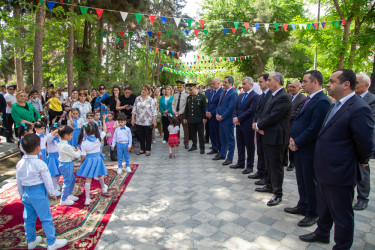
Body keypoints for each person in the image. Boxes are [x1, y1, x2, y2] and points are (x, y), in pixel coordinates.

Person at [299, 69, 374, 249]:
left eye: (332, 81)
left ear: (346, 84)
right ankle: (322, 232)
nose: (328, 84)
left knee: (342, 213)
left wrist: (362, 160)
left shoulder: (359, 108)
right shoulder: (336, 104)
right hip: (324, 169)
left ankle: (341, 245)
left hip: (340, 172)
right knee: (324, 207)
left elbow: (365, 143)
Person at [286, 70, 331, 227]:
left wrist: (296, 141)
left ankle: (313, 213)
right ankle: (303, 205)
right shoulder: (310, 99)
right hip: (300, 147)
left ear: (316, 82)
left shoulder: (322, 101)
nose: (302, 84)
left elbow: (314, 128)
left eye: (305, 81)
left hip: (309, 149)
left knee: (311, 183)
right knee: (302, 180)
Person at [16, 133, 67, 250]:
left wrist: (21, 193)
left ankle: (31, 240)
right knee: (46, 218)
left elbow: (18, 180)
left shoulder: (20, 163)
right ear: (38, 148)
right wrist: (52, 193)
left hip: (26, 193)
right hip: (38, 192)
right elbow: (47, 181)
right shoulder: (40, 164)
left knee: (28, 218)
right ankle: (52, 242)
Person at [252, 72, 292, 206]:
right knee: (268, 164)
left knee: (276, 166)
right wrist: (258, 125)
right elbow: (264, 113)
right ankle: (269, 185)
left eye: (269, 80)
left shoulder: (284, 97)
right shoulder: (272, 95)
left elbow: (274, 116)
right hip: (266, 134)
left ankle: (277, 193)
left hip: (276, 138)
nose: (267, 82)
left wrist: (258, 125)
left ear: (278, 81)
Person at [353, 72, 375, 210]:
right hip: (350, 140)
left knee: (363, 169)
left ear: (366, 85)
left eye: (358, 82)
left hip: (363, 141)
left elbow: (368, 120)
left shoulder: (372, 99)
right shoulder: (351, 97)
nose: (355, 85)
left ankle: (363, 198)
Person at [230, 77, 260, 174]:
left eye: (244, 84)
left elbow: (251, 110)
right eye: (242, 84)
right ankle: (240, 162)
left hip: (247, 124)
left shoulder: (255, 96)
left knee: (249, 146)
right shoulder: (241, 95)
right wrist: (235, 117)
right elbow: (236, 108)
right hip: (239, 124)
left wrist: (239, 118)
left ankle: (249, 166)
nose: (242, 86)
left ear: (250, 85)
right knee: (240, 144)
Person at [77, 122, 108, 206]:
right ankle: (103, 187)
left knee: (88, 179)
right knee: (100, 174)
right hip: (98, 160)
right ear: (96, 130)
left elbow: (83, 155)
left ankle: (87, 198)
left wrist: (81, 163)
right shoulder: (99, 139)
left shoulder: (83, 142)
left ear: (85, 132)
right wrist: (104, 120)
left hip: (89, 160)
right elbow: (105, 130)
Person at [213, 76, 238, 166]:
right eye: (223, 82)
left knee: (230, 140)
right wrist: (216, 114)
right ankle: (222, 154)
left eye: (225, 82)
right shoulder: (223, 92)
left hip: (227, 121)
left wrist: (222, 116)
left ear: (230, 83)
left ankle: (230, 158)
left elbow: (231, 108)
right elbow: (219, 105)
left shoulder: (233, 93)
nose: (223, 83)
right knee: (222, 139)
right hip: (220, 120)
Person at [284, 81, 306, 171]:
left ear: (299, 88)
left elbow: (297, 112)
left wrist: (284, 115)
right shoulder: (288, 96)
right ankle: (284, 160)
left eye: (294, 87)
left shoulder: (303, 98)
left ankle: (292, 163)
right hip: (285, 124)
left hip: (293, 125)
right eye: (291, 86)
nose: (291, 88)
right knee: (284, 143)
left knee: (291, 143)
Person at [57, 125, 81, 206]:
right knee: (67, 181)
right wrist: (79, 151)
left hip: (66, 163)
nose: (72, 136)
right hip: (66, 164)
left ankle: (69, 194)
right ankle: (63, 199)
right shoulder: (66, 146)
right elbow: (76, 155)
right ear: (66, 136)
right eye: (71, 135)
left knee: (71, 179)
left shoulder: (62, 144)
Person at [131, 84, 157, 156]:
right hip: (139, 120)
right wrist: (133, 118)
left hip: (148, 120)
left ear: (148, 91)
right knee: (141, 135)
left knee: (148, 135)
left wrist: (154, 120)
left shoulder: (150, 100)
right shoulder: (137, 99)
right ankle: (142, 149)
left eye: (145, 90)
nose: (143, 91)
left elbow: (153, 111)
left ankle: (148, 149)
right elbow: (134, 109)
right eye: (142, 89)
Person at [183, 83, 207, 154]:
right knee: (193, 133)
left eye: (191, 90)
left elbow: (204, 108)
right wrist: (185, 117)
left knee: (201, 134)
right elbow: (186, 108)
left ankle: (202, 148)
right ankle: (194, 145)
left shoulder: (202, 97)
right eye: (189, 90)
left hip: (199, 119)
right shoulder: (189, 98)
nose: (190, 91)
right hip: (191, 118)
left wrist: (204, 117)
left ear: (195, 88)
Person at [206, 78, 224, 155]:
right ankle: (214, 148)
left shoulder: (222, 92)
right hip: (209, 116)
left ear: (218, 83)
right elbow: (207, 103)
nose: (212, 85)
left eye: (213, 84)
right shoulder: (210, 92)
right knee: (211, 133)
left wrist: (212, 113)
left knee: (217, 134)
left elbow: (219, 105)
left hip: (216, 116)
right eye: (211, 84)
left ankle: (219, 149)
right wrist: (206, 111)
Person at [46, 123, 62, 197]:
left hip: (58, 157)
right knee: (53, 174)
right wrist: (54, 131)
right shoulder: (49, 140)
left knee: (58, 173)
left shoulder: (59, 139)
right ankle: (53, 189)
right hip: (52, 158)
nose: (58, 134)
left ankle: (56, 185)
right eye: (56, 132)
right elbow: (49, 136)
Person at [172, 81, 189, 149]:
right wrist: (174, 111)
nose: (179, 88)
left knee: (185, 129)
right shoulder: (175, 95)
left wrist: (180, 112)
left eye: (180, 87)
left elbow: (185, 106)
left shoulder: (186, 95)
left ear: (183, 87)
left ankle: (186, 142)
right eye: (178, 87)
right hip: (176, 114)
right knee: (176, 128)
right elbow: (173, 104)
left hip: (183, 114)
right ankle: (176, 141)